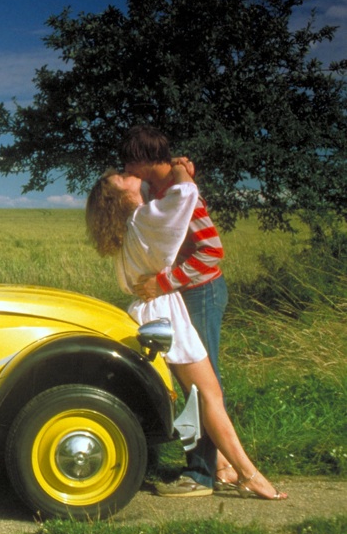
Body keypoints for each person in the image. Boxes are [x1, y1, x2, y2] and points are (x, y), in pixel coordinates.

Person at [86, 163, 287, 501]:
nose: (130, 174)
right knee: (209, 396)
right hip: (167, 313)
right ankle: (249, 474)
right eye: (122, 177)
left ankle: (222, 466)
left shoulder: (128, 230)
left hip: (150, 311)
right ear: (118, 198)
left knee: (196, 394)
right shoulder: (144, 219)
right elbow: (186, 194)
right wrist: (181, 169)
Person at [119, 125, 230, 497]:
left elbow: (212, 252)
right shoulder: (160, 188)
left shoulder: (184, 194)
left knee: (200, 386)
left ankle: (200, 475)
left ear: (144, 159)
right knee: (192, 385)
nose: (126, 169)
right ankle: (221, 467)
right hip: (183, 294)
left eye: (129, 162)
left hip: (201, 293)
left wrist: (163, 282)